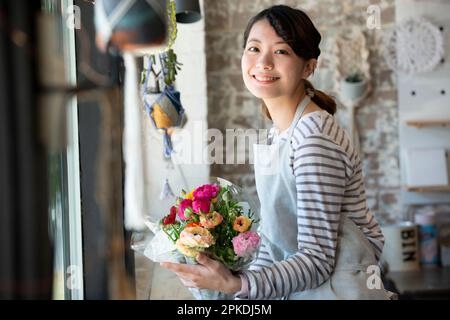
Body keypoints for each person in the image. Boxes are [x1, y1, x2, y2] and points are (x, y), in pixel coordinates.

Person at [161, 4, 392, 300]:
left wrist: (236, 284)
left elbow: (317, 261)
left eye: (281, 51)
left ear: (308, 66)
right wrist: (230, 287)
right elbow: (274, 244)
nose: (263, 62)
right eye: (254, 48)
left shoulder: (313, 139)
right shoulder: (278, 135)